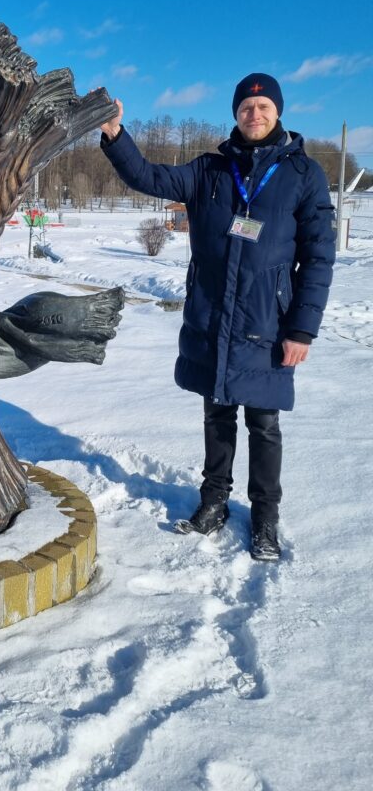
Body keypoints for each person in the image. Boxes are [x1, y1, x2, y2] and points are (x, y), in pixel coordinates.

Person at [99, 73, 335, 560]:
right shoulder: (209, 169)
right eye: (246, 107)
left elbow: (318, 257)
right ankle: (213, 503)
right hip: (213, 315)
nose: (255, 114)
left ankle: (265, 518)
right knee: (216, 414)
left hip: (268, 322)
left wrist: (302, 329)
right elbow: (149, 177)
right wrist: (116, 136)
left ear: (278, 112)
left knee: (264, 423)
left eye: (263, 107)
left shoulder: (303, 174)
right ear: (236, 114)